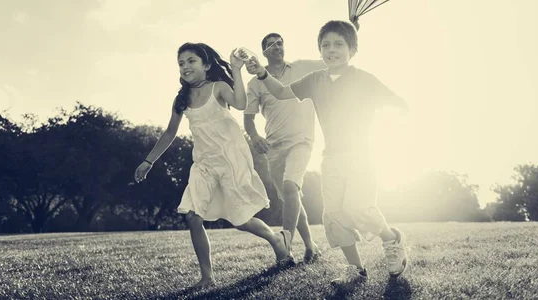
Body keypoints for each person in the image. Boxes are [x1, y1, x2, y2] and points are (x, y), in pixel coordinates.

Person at [245, 21, 409, 287]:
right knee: (333, 215)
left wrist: (404, 124)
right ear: (320, 50)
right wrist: (262, 73)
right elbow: (281, 91)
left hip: (362, 155)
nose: (332, 49)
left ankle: (391, 238)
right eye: (326, 45)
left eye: (339, 44)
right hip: (331, 158)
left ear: (352, 50)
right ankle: (356, 269)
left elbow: (397, 103)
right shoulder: (314, 79)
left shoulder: (363, 78)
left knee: (359, 208)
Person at [134, 42, 293, 289]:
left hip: (231, 160)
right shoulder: (181, 100)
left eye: (191, 61)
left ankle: (277, 240)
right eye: (181, 63)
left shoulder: (218, 87)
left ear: (206, 65)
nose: (185, 66)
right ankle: (207, 277)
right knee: (193, 216)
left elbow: (240, 104)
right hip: (204, 164)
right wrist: (148, 161)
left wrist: (237, 70)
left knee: (240, 220)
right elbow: (169, 133)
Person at [243, 33, 326, 263]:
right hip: (274, 147)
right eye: (271, 45)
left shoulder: (302, 67)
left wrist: (351, 31)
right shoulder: (254, 83)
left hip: (302, 140)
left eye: (280, 43)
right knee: (291, 197)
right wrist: (254, 136)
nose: (278, 47)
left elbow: (333, 58)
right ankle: (311, 247)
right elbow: (248, 118)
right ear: (263, 53)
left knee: (291, 187)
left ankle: (286, 246)